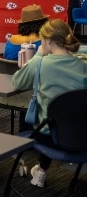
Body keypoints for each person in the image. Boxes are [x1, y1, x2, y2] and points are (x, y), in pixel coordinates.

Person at [12, 19, 87, 188]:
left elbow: (17, 82)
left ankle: (41, 172)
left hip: (48, 138)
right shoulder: (84, 66)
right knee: (62, 117)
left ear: (48, 41)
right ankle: (40, 172)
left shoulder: (40, 63)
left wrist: (38, 54)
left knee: (47, 119)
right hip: (82, 137)